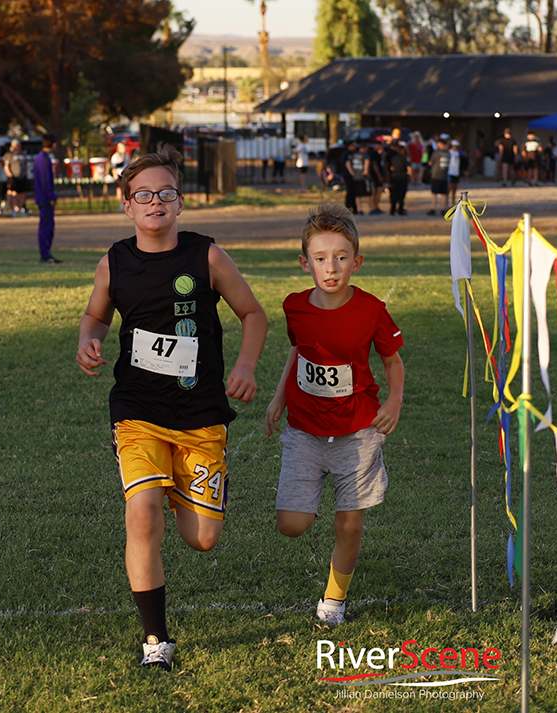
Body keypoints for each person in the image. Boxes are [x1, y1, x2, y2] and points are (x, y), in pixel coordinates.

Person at [76, 145, 267, 670]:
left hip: (201, 415)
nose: (155, 201)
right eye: (143, 194)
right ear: (127, 206)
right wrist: (87, 339)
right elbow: (95, 318)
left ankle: (193, 484)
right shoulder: (113, 263)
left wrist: (245, 367)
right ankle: (155, 642)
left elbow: (253, 314)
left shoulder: (206, 256)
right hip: (137, 410)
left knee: (201, 539)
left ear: (180, 203)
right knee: (141, 515)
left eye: (166, 193)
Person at [264, 203, 404, 626]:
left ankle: (334, 600)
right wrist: (278, 398)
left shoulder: (371, 310)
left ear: (356, 262)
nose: (331, 267)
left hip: (357, 431)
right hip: (305, 430)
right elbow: (298, 350)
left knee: (350, 525)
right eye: (321, 258)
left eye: (341, 258)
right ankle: (312, 496)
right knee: (291, 524)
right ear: (305, 263)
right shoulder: (294, 307)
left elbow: (393, 361)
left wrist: (393, 401)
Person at [33, 133, 60, 264]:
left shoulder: (39, 158)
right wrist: (51, 196)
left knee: (47, 226)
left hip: (42, 197)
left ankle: (46, 253)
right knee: (46, 227)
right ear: (53, 144)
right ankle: (45, 254)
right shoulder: (44, 159)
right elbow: (46, 180)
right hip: (45, 199)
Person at [3, 139, 30, 216]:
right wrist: (10, 176)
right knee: (12, 193)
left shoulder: (22, 154)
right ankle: (12, 209)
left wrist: (25, 173)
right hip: (13, 177)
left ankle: (19, 209)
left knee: (22, 194)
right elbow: (6, 166)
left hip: (22, 177)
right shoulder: (9, 155)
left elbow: (26, 165)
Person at [426, 136, 450, 216]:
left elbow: (430, 162)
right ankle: (443, 208)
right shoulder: (448, 153)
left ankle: (433, 208)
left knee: (434, 193)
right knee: (444, 193)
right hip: (444, 175)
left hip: (436, 175)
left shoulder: (436, 153)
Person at [386, 140, 410, 215]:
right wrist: (411, 177)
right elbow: (409, 167)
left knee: (394, 193)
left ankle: (392, 209)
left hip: (394, 177)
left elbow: (389, 167)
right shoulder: (403, 158)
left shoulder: (393, 157)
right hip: (402, 177)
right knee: (401, 194)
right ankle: (400, 209)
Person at [110, 140, 131, 211]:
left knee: (126, 189)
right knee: (120, 189)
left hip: (125, 174)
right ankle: (121, 204)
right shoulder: (115, 157)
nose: (124, 149)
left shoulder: (126, 156)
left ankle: (127, 203)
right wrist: (115, 177)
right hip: (118, 175)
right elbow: (114, 168)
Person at [366, 142, 386, 215]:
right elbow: (374, 165)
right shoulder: (374, 154)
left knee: (379, 190)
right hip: (375, 175)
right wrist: (379, 175)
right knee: (375, 191)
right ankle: (373, 207)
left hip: (378, 174)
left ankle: (376, 206)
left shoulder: (380, 154)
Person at [447, 139, 462, 206]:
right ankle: (446, 201)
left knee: (455, 188)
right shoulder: (449, 153)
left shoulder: (457, 153)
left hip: (456, 172)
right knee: (449, 187)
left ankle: (453, 201)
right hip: (450, 172)